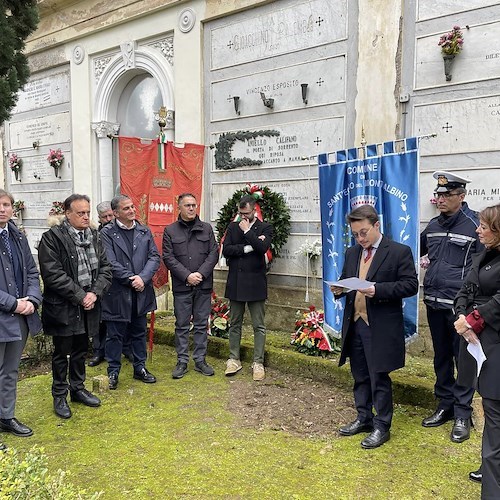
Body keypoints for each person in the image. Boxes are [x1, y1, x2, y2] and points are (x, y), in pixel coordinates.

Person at [331, 205, 418, 449]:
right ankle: (363, 417)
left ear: (377, 225)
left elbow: (410, 285)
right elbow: (348, 280)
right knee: (359, 375)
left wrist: (378, 290)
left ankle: (382, 425)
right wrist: (339, 289)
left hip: (380, 326)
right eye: (356, 234)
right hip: (355, 323)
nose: (360, 238)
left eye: (364, 232)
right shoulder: (352, 253)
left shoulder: (399, 251)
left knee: (378, 376)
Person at [420, 170, 483, 443]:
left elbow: (480, 269)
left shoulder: (475, 225)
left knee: (463, 361)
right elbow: (420, 249)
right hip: (434, 301)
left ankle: (462, 412)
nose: (441, 199)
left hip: (459, 308)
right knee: (441, 357)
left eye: (447, 195)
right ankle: (444, 404)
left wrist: (470, 307)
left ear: (462, 196)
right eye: (439, 194)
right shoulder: (433, 225)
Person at [38, 194, 112, 419]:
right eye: (80, 213)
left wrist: (94, 293)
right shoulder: (52, 238)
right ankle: (59, 395)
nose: (85, 216)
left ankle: (78, 389)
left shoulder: (95, 236)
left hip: (88, 304)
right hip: (63, 306)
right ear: (67, 214)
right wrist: (81, 295)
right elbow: (53, 274)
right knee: (62, 353)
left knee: (81, 349)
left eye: (87, 212)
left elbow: (106, 269)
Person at [454, 204, 500, 498]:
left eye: (483, 226)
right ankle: (491, 468)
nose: (477, 230)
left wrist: (474, 320)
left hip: (494, 340)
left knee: (495, 413)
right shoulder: (482, 253)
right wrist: (460, 316)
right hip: (475, 341)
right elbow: (465, 287)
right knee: (489, 406)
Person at [101, 195, 160, 390]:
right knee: (115, 334)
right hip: (118, 293)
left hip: (141, 291)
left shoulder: (144, 231)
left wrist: (142, 278)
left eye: (133, 207)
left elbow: (154, 257)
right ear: (116, 213)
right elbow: (109, 262)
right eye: (126, 209)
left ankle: (140, 368)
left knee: (138, 332)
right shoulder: (107, 233)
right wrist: (131, 279)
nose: (132, 211)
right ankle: (113, 371)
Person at [0, 190, 42, 446]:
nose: (2, 209)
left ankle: (6, 416)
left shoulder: (17, 236)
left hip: (20, 316)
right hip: (6, 312)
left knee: (10, 371)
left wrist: (32, 300)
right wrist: (13, 304)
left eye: (6, 205)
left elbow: (31, 271)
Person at [162, 193, 218, 379]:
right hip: (182, 286)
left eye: (194, 205)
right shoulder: (170, 231)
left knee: (202, 324)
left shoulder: (206, 229)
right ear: (179, 207)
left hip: (203, 286)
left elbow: (213, 254)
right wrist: (187, 276)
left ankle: (200, 360)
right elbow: (169, 257)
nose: (192, 208)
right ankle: (182, 361)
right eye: (187, 205)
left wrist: (200, 275)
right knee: (182, 325)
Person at [223, 195, 273, 381]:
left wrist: (247, 233)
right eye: (240, 213)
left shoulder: (265, 227)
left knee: (258, 325)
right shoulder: (232, 227)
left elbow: (262, 248)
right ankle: (234, 358)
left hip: (255, 283)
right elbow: (227, 250)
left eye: (246, 213)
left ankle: (258, 362)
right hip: (236, 281)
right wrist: (246, 248)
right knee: (235, 322)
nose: (243, 217)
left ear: (254, 210)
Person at [87, 201, 115, 367]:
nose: (108, 219)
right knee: (100, 320)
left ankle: (119, 349)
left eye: (110, 215)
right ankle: (99, 351)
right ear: (99, 218)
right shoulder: (95, 234)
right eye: (105, 217)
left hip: (116, 281)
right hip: (100, 281)